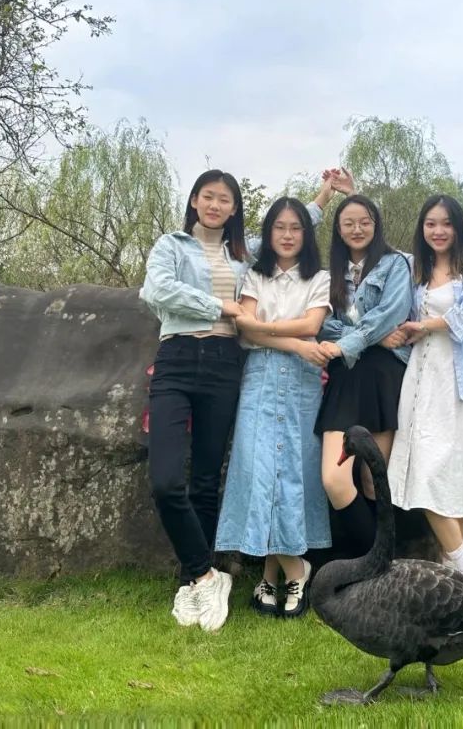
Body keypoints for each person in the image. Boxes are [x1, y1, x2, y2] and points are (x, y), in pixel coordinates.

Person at [139, 167, 351, 632]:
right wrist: (219, 306)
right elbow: (156, 291)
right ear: (194, 200)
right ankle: (204, 575)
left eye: (224, 199)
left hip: (223, 364)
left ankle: (193, 580)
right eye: (207, 196)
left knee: (206, 479)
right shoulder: (172, 245)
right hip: (178, 356)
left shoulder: (243, 253)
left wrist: (324, 196)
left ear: (234, 208)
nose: (215, 205)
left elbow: (288, 229)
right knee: (167, 480)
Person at [213, 197, 332, 618]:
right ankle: (295, 569)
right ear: (268, 233)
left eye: (296, 228)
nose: (287, 235)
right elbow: (245, 331)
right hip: (261, 378)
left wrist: (265, 328)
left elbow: (311, 325)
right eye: (279, 227)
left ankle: (272, 574)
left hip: (300, 384)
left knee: (292, 471)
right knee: (259, 470)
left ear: (306, 234)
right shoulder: (255, 274)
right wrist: (295, 343)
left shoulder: (319, 277)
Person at [384, 194, 463, 588]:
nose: (438, 231)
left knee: (453, 476)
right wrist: (351, 196)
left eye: (446, 223)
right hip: (420, 381)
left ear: (459, 228)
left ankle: (457, 574)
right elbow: (375, 240)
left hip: (458, 382)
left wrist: (421, 326)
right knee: (424, 470)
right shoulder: (414, 269)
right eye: (430, 223)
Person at [313, 195, 413, 557]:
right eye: (349, 223)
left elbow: (393, 312)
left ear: (376, 225)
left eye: (365, 222)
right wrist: (372, 338)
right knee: (334, 479)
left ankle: (376, 571)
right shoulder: (328, 275)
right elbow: (322, 325)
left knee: (374, 480)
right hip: (346, 376)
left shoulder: (396, 264)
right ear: (338, 230)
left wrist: (351, 340)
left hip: (383, 376)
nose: (357, 229)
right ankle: (378, 562)